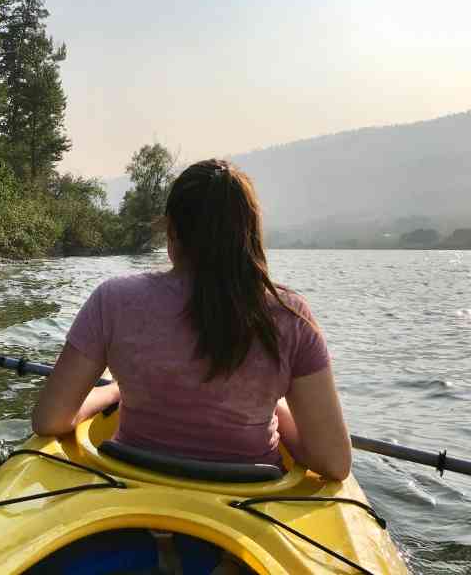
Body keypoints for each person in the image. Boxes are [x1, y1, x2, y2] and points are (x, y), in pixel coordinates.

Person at [32, 159, 351, 480]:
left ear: (172, 230)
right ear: (250, 234)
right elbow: (333, 462)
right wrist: (278, 414)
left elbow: (51, 419)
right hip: (248, 503)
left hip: (133, 486)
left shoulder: (113, 299)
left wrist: (113, 392)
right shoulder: (291, 316)